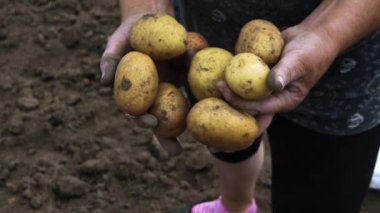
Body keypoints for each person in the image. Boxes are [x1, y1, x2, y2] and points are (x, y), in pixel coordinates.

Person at [100, 0, 380, 212]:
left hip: (344, 70)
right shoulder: (201, 61)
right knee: (228, 146)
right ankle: (236, 205)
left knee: (318, 190)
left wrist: (327, 34)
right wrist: (145, 8)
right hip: (209, 51)